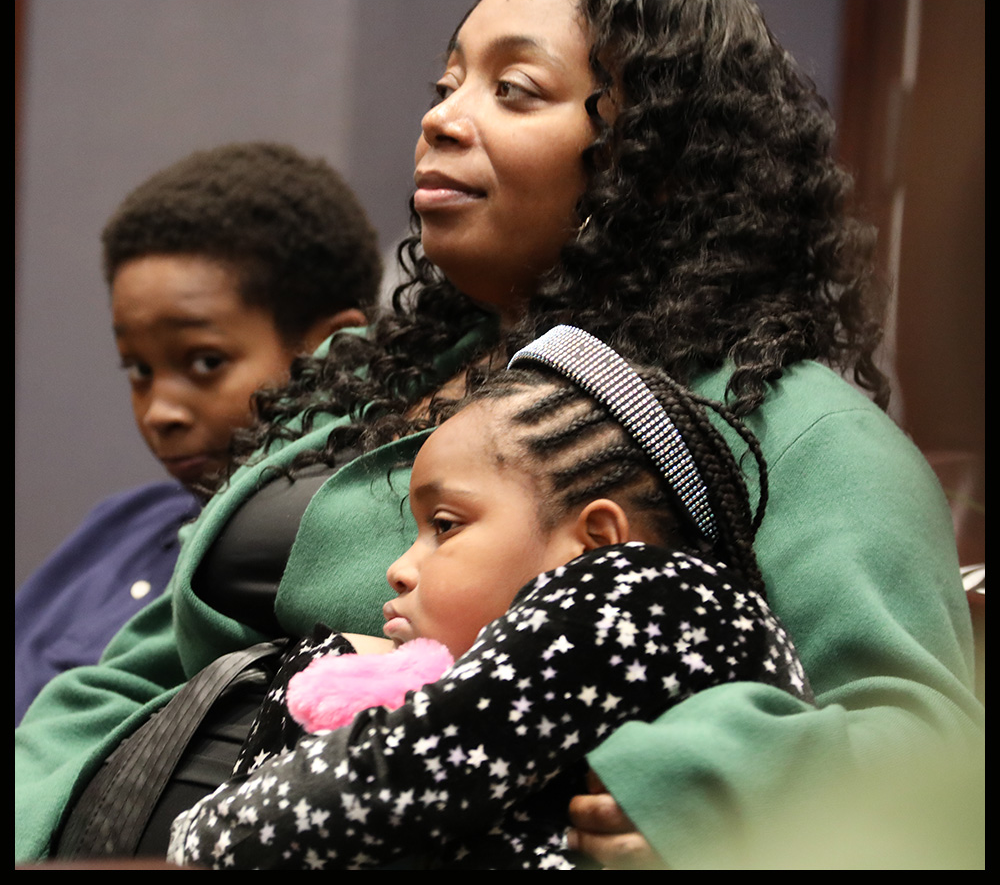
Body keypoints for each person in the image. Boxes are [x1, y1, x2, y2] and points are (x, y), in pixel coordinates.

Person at [16, 1, 981, 868]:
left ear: (658, 157)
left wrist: (688, 794)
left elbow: (923, 766)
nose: (440, 116)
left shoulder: (790, 427)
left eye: (514, 89)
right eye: (447, 84)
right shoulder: (366, 385)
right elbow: (129, 674)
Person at [167, 327, 811, 869]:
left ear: (597, 541)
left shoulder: (648, 595)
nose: (398, 570)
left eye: (444, 526)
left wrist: (199, 834)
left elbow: (410, 770)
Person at [14, 142, 381, 725]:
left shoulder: (320, 567)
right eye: (139, 369)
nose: (160, 410)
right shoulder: (117, 527)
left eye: (205, 362)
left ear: (337, 351)